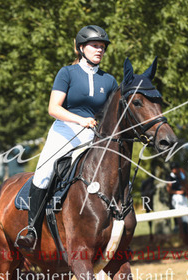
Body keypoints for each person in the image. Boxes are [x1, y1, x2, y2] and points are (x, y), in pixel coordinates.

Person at [16, 25, 119, 251]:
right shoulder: (67, 73)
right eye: (95, 45)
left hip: (94, 134)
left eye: (102, 47)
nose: (99, 50)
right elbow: (53, 108)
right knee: (43, 174)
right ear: (81, 48)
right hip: (64, 131)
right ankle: (32, 230)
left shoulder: (109, 81)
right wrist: (80, 120)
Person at [166, 162, 188, 245]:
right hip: (176, 198)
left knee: (185, 219)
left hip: (183, 198)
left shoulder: (181, 175)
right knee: (180, 219)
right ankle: (182, 238)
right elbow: (169, 190)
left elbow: (186, 185)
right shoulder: (170, 177)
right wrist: (178, 192)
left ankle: (187, 238)